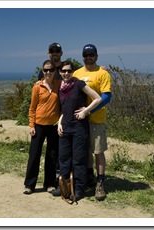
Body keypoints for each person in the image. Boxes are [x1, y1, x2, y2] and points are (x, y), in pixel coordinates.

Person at [53, 61, 101, 201]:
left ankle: (79, 189)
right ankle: (64, 187)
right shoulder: (60, 87)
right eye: (63, 71)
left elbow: (97, 99)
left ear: (72, 71)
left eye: (68, 71)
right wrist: (60, 123)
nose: (66, 73)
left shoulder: (79, 84)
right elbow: (64, 108)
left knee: (79, 159)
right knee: (64, 158)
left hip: (79, 127)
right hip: (65, 127)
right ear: (60, 72)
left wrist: (85, 111)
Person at [72, 44, 112, 201]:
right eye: (86, 55)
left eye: (91, 54)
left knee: (98, 151)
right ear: (82, 56)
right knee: (85, 151)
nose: (88, 57)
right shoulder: (76, 73)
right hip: (79, 120)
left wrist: (88, 111)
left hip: (96, 119)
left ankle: (100, 182)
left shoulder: (103, 73)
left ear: (96, 56)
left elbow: (107, 97)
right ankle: (89, 177)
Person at [23, 60, 62, 195]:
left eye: (51, 70)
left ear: (55, 71)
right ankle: (29, 185)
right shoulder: (37, 87)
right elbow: (32, 108)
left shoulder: (59, 84)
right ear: (43, 71)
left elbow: (74, 79)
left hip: (53, 126)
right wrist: (31, 125)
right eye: (45, 70)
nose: (48, 72)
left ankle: (49, 183)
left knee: (52, 156)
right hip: (39, 125)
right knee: (34, 155)